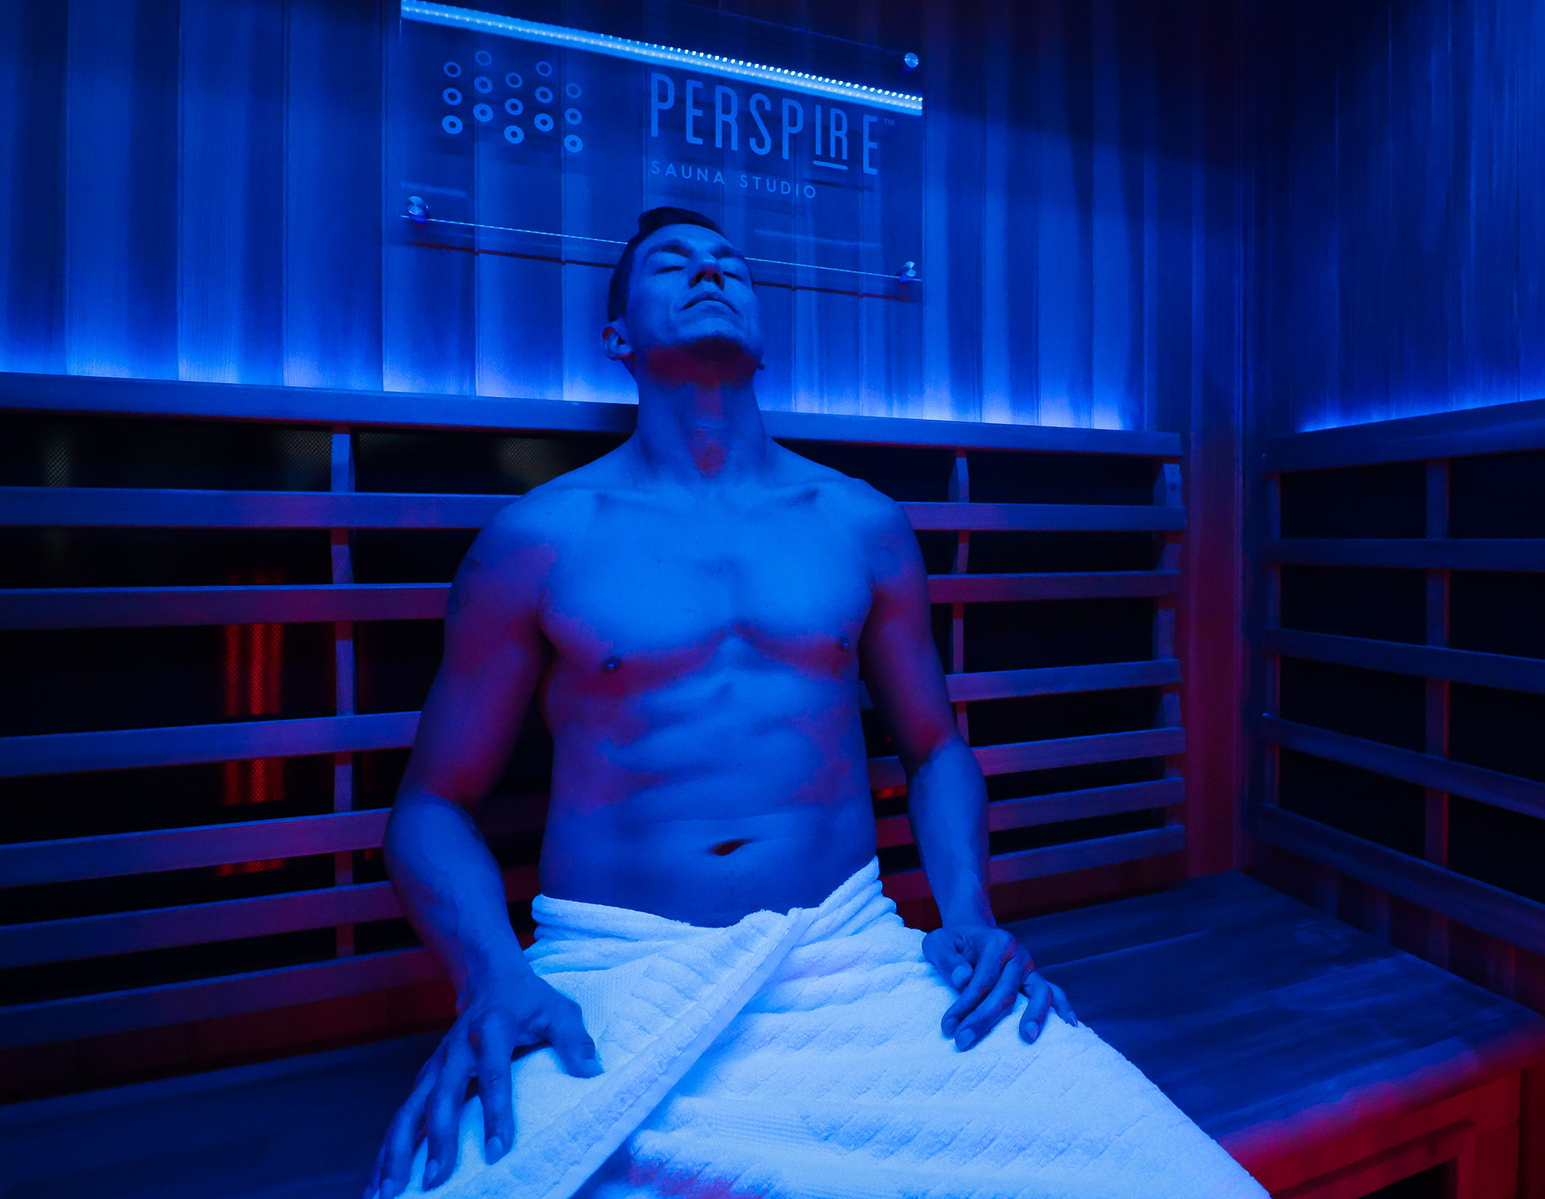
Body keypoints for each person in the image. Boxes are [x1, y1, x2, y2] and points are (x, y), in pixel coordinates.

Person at [364, 208, 1263, 1199]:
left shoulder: (859, 522)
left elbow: (934, 749)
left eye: (730, 264)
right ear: (617, 336)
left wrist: (967, 914)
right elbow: (432, 805)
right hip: (613, 971)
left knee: (1162, 1171)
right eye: (672, 263)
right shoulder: (537, 538)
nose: (709, 271)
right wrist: (493, 974)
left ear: (763, 335)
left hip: (844, 956)